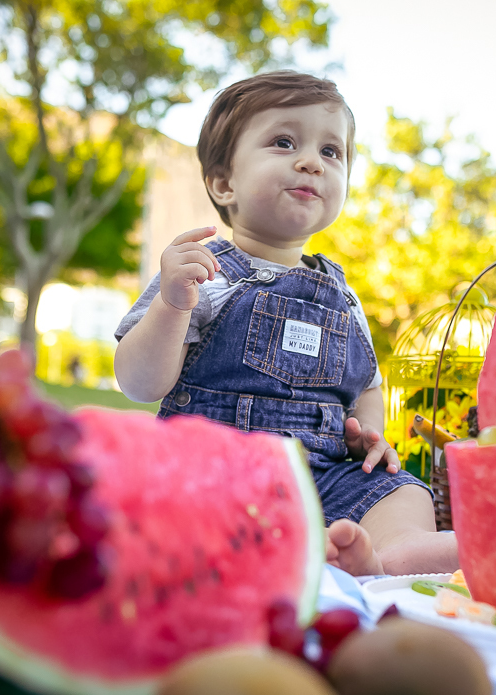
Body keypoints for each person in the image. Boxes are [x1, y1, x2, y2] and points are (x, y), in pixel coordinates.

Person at [113, 71, 457, 577]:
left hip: (323, 475)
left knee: (403, 491)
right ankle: (304, 550)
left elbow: (367, 384)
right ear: (223, 183)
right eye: (284, 142)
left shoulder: (343, 296)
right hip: (219, 472)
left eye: (331, 152)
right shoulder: (198, 275)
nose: (311, 162)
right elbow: (139, 383)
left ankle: (391, 552)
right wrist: (170, 306)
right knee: (182, 506)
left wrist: (370, 435)